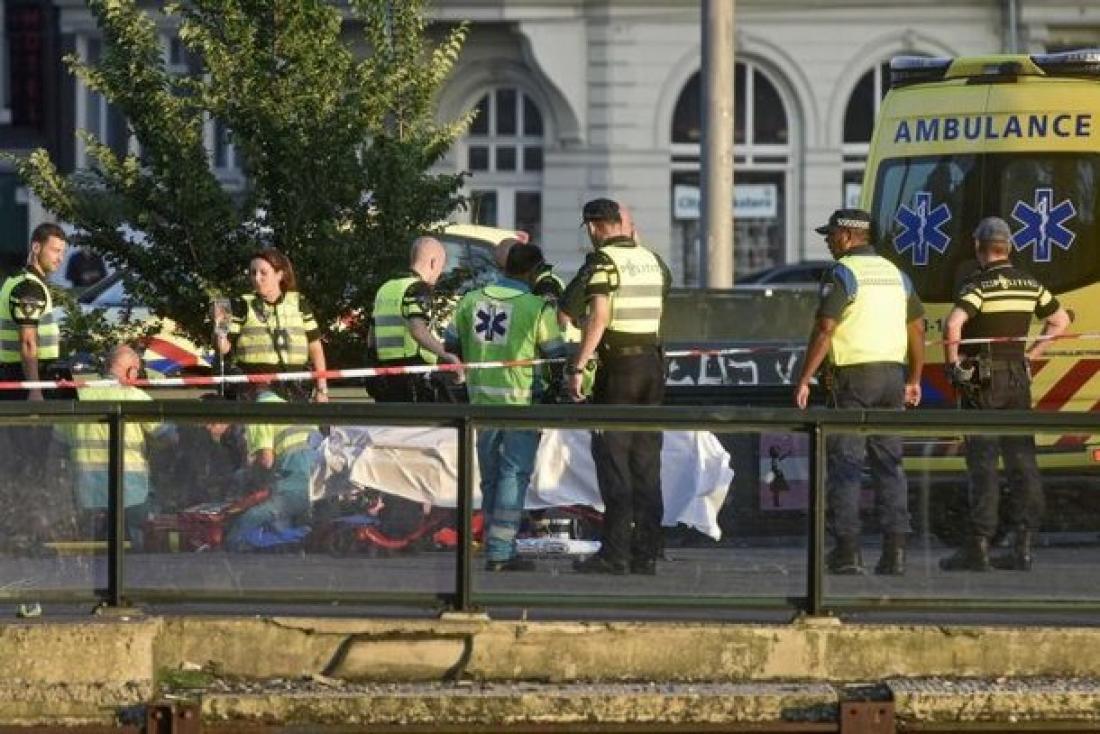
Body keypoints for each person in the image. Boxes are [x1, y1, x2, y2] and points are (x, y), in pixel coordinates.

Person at [793, 208, 925, 576]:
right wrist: (914, 379)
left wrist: (804, 378)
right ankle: (895, 553)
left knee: (846, 464)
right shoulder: (896, 274)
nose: (827, 241)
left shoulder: (842, 272)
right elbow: (917, 328)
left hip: (853, 378)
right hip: (892, 378)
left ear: (848, 236)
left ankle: (848, 552)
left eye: (831, 234)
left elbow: (826, 327)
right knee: (889, 464)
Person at [939, 216, 1070, 572]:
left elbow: (953, 324)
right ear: (1008, 247)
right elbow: (1061, 321)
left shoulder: (978, 284)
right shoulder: (1030, 283)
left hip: (982, 380)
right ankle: (1023, 545)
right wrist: (1032, 354)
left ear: (978, 247)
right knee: (1022, 460)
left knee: (982, 462)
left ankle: (980, 544)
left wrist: (953, 366)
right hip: (1017, 379)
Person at [446, 244, 566, 571]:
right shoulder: (536, 308)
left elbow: (451, 346)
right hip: (520, 404)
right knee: (513, 475)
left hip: (480, 404)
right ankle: (501, 551)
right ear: (532, 271)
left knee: (490, 478)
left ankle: (493, 545)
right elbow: (555, 355)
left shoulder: (470, 301)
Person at [568, 198, 672, 576]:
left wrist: (578, 365)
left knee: (614, 461)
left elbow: (599, 317)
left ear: (594, 227)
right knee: (647, 463)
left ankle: (615, 554)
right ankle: (647, 552)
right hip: (652, 366)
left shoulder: (603, 261)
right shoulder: (652, 259)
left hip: (620, 370)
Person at [56, 345, 166, 548]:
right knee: (136, 549)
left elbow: (58, 443)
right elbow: (169, 436)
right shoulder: (136, 397)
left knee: (93, 551)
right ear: (131, 371)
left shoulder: (80, 397)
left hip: (87, 491)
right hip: (130, 492)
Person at [215, 249, 329, 403]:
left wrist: (322, 389)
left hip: (296, 389)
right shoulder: (242, 304)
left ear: (279, 275)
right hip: (256, 388)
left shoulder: (299, 303)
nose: (257, 278)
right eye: (253, 273)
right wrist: (220, 326)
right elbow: (222, 349)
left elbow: (316, 348)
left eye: (263, 273)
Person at [225, 385, 319, 551]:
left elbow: (266, 462)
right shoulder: (296, 409)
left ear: (245, 397)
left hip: (297, 484)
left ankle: (229, 546)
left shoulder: (261, 411)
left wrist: (251, 482)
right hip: (317, 484)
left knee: (249, 519)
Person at [367, 236, 460, 402]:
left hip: (386, 377)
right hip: (414, 376)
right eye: (441, 267)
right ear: (433, 262)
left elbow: (371, 338)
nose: (439, 273)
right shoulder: (418, 288)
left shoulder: (385, 288)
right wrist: (446, 355)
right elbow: (418, 330)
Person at [0, 222, 67, 401]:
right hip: (27, 379)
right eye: (55, 251)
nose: (60, 258)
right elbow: (28, 342)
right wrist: (35, 389)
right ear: (36, 247)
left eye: (62, 252)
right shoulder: (29, 287)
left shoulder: (17, 280)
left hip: (17, 375)